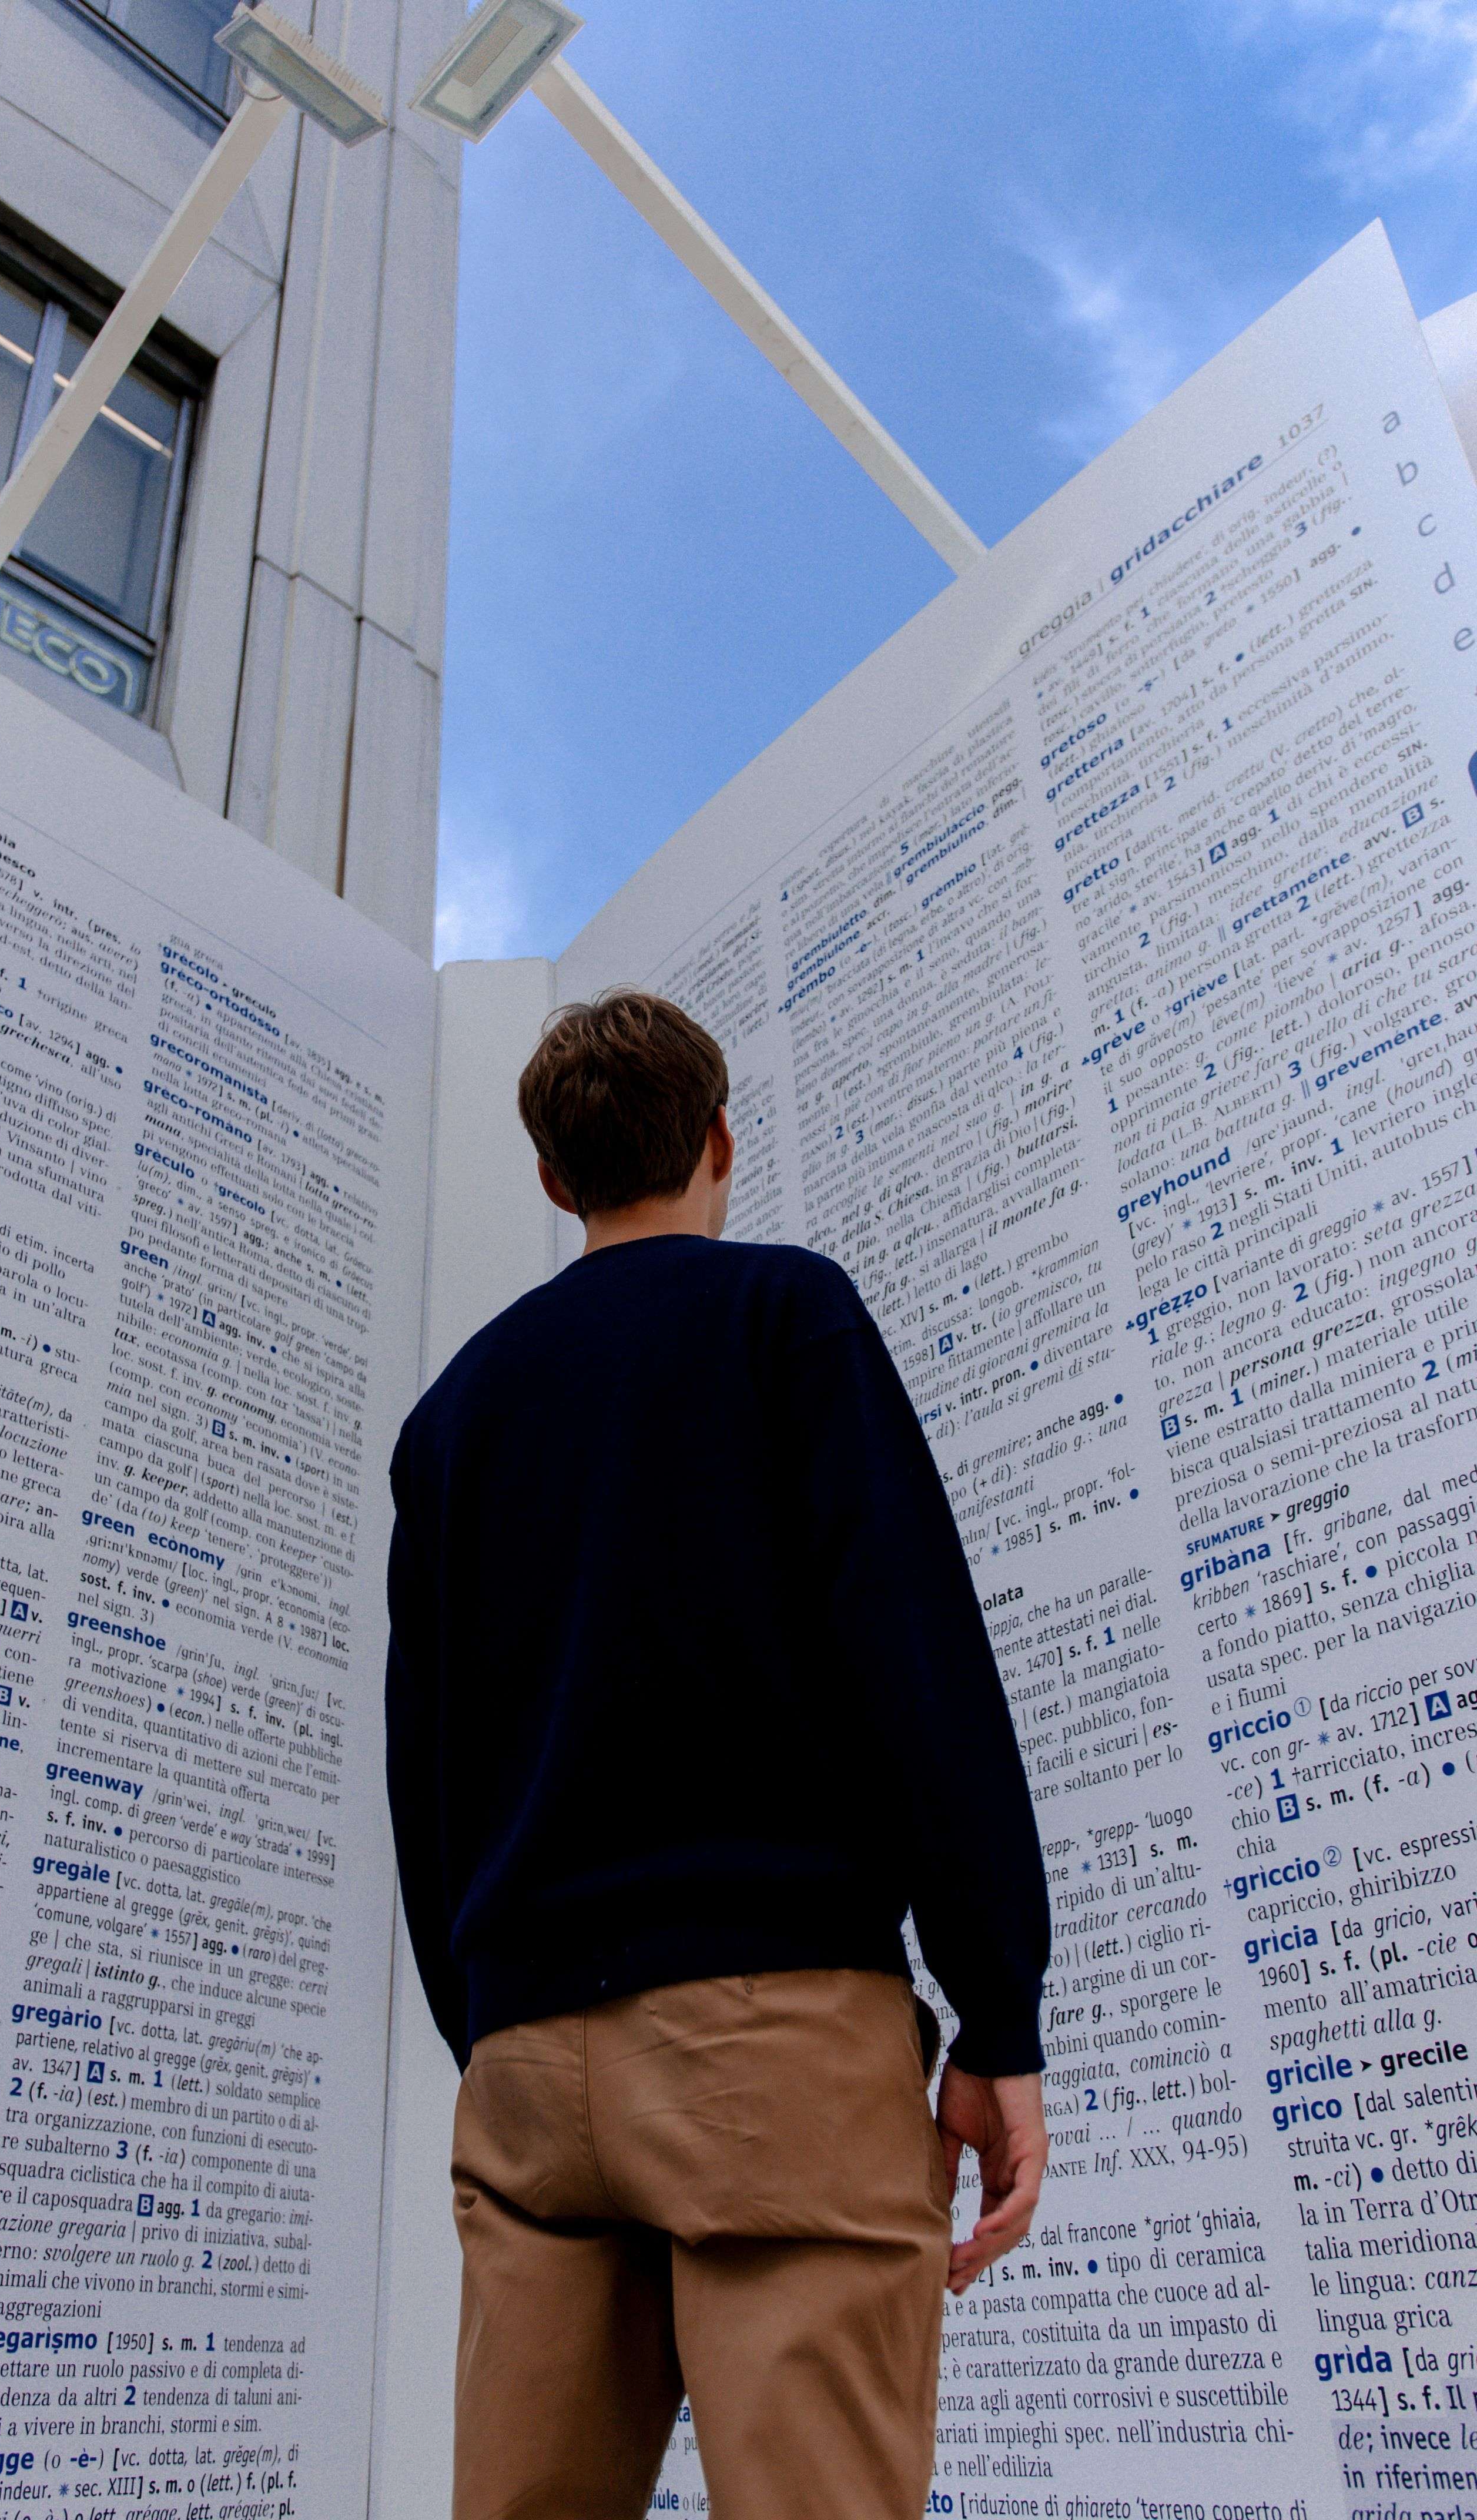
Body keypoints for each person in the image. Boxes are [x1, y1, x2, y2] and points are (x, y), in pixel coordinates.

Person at [385, 987, 1050, 2520]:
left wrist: (491, 2028)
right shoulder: (782, 1314)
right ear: (720, 1140)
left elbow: (432, 1773)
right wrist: (997, 2011)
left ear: (557, 1180)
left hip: (531, 2070)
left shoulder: (454, 1420)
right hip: (777, 2053)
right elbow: (916, 1665)